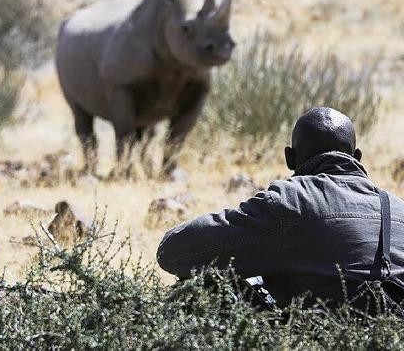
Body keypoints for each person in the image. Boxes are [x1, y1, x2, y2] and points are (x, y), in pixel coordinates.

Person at [157, 107, 404, 307]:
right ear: (357, 156)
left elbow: (173, 251)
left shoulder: (291, 201)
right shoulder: (398, 208)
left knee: (204, 286)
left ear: (290, 158)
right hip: (390, 335)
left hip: (317, 338)